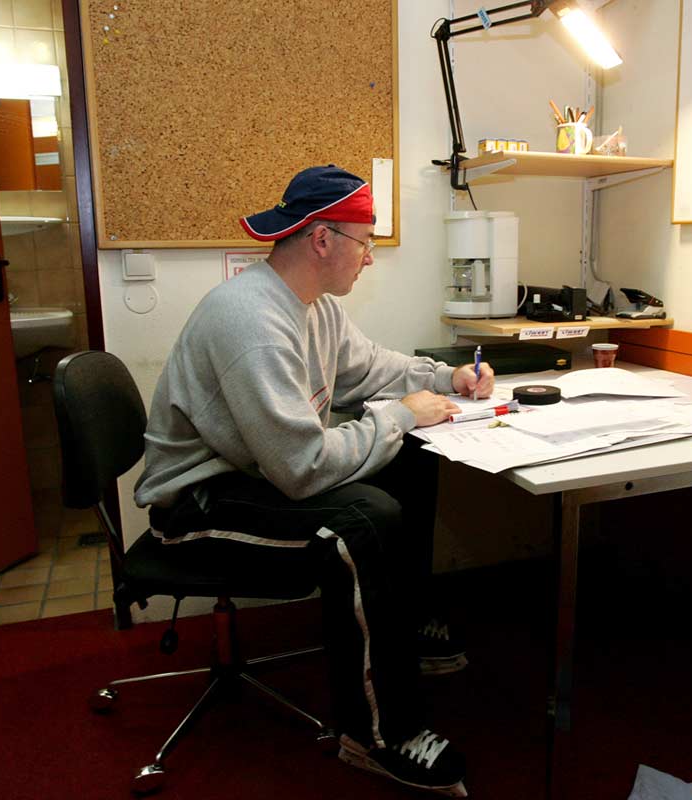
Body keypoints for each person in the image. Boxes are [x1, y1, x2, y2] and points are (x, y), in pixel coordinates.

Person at [133, 165, 493, 797]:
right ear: (323, 240)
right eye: (366, 242)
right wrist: (398, 415)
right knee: (365, 517)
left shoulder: (314, 308)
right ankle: (379, 735)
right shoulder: (250, 321)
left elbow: (371, 368)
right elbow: (301, 469)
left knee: (410, 457)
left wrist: (445, 377)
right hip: (196, 503)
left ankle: (403, 627)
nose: (370, 257)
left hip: (252, 472)